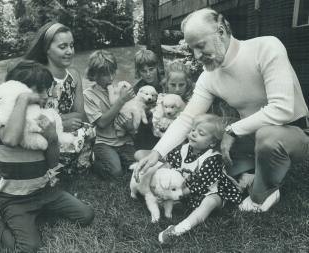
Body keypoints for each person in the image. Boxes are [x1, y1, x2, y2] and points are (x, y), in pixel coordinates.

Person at [136, 8, 309, 212]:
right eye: (193, 49)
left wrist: (232, 130)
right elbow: (186, 119)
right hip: (249, 139)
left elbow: (282, 109)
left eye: (201, 46)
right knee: (209, 156)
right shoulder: (208, 76)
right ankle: (255, 173)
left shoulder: (267, 47)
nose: (197, 56)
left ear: (221, 31)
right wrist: (158, 152)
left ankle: (263, 194)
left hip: (293, 133)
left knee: (267, 136)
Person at [0, 61, 94, 253]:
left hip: (44, 192)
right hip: (15, 199)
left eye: (47, 90)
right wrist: (23, 100)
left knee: (86, 215)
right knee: (28, 247)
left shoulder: (42, 118)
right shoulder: (2, 121)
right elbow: (10, 139)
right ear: (19, 90)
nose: (45, 96)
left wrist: (52, 139)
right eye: (40, 90)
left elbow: (52, 162)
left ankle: (37, 214)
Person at [155, 114, 242, 244]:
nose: (194, 134)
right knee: (161, 198)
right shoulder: (183, 149)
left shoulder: (212, 158)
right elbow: (169, 166)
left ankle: (179, 229)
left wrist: (174, 195)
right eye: (193, 130)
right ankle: (178, 205)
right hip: (186, 192)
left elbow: (200, 186)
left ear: (212, 142)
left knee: (209, 202)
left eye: (201, 133)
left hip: (210, 192)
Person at [25, 22, 95, 176]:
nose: (69, 51)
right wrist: (61, 122)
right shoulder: (38, 76)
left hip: (65, 128)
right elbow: (34, 117)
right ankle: (51, 168)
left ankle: (73, 166)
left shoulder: (74, 76)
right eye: (62, 47)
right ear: (47, 49)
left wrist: (65, 121)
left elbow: (79, 113)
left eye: (71, 45)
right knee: (48, 138)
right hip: (45, 132)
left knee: (89, 130)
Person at [83, 50, 136, 178]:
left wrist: (130, 127)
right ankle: (93, 161)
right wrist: (121, 100)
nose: (111, 78)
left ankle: (119, 160)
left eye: (113, 72)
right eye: (105, 75)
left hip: (124, 141)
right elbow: (101, 122)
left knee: (137, 166)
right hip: (104, 142)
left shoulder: (120, 89)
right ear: (94, 75)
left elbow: (133, 111)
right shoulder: (88, 95)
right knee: (115, 172)